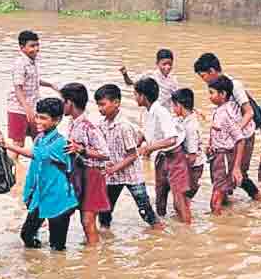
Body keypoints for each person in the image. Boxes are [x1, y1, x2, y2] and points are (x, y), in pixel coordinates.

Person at [5, 98, 79, 251]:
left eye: (43, 118)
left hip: (59, 199)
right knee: (26, 235)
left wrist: (7, 144)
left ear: (57, 120)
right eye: (37, 116)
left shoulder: (61, 143)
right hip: (40, 196)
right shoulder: (40, 138)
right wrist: (28, 193)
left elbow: (34, 155)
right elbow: (34, 169)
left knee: (57, 247)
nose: (38, 121)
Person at [193, 53, 260, 202]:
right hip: (229, 139)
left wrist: (234, 131)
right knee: (225, 174)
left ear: (212, 71)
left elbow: (249, 112)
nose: (203, 80)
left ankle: (258, 198)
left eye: (203, 76)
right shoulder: (217, 89)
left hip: (243, 136)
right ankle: (226, 208)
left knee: (239, 173)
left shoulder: (233, 85)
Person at [94, 84, 160, 231]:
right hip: (113, 177)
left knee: (145, 211)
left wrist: (114, 169)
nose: (100, 108)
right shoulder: (101, 124)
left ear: (116, 103)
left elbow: (133, 155)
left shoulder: (124, 126)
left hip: (131, 176)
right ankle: (105, 239)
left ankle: (159, 230)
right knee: (104, 212)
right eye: (98, 105)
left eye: (103, 104)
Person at [135, 77, 193, 224]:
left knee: (179, 199)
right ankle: (162, 232)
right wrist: (134, 148)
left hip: (175, 157)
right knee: (160, 195)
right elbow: (143, 133)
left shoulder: (161, 112)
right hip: (162, 157)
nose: (134, 97)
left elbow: (171, 139)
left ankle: (188, 232)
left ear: (143, 96)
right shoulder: (146, 112)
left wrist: (148, 148)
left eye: (136, 94)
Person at [61, 83, 109, 245]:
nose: (62, 106)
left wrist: (81, 150)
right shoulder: (73, 122)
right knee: (84, 220)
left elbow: (105, 154)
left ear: (70, 103)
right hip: (80, 174)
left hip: (92, 174)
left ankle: (92, 260)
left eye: (63, 101)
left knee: (88, 221)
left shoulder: (89, 125)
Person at [7, 30, 59, 149]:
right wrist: (27, 110)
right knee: (18, 144)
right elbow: (18, 89)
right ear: (22, 47)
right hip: (18, 109)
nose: (36, 49)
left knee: (39, 138)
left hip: (33, 108)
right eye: (32, 46)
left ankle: (38, 166)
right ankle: (13, 167)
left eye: (37, 45)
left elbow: (34, 80)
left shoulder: (32, 62)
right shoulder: (20, 63)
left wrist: (50, 85)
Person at [205, 76, 249, 216]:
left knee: (216, 197)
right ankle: (223, 224)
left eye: (212, 93)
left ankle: (218, 226)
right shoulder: (219, 111)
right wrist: (210, 144)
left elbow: (240, 139)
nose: (209, 97)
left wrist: (236, 167)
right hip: (218, 156)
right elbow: (220, 132)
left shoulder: (226, 114)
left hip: (223, 157)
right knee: (221, 193)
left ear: (223, 94)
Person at [172, 88, 205, 203]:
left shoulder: (190, 127)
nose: (173, 109)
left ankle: (186, 220)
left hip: (193, 167)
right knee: (182, 201)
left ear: (179, 106)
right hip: (193, 166)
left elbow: (192, 157)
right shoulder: (186, 119)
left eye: (173, 106)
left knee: (182, 202)